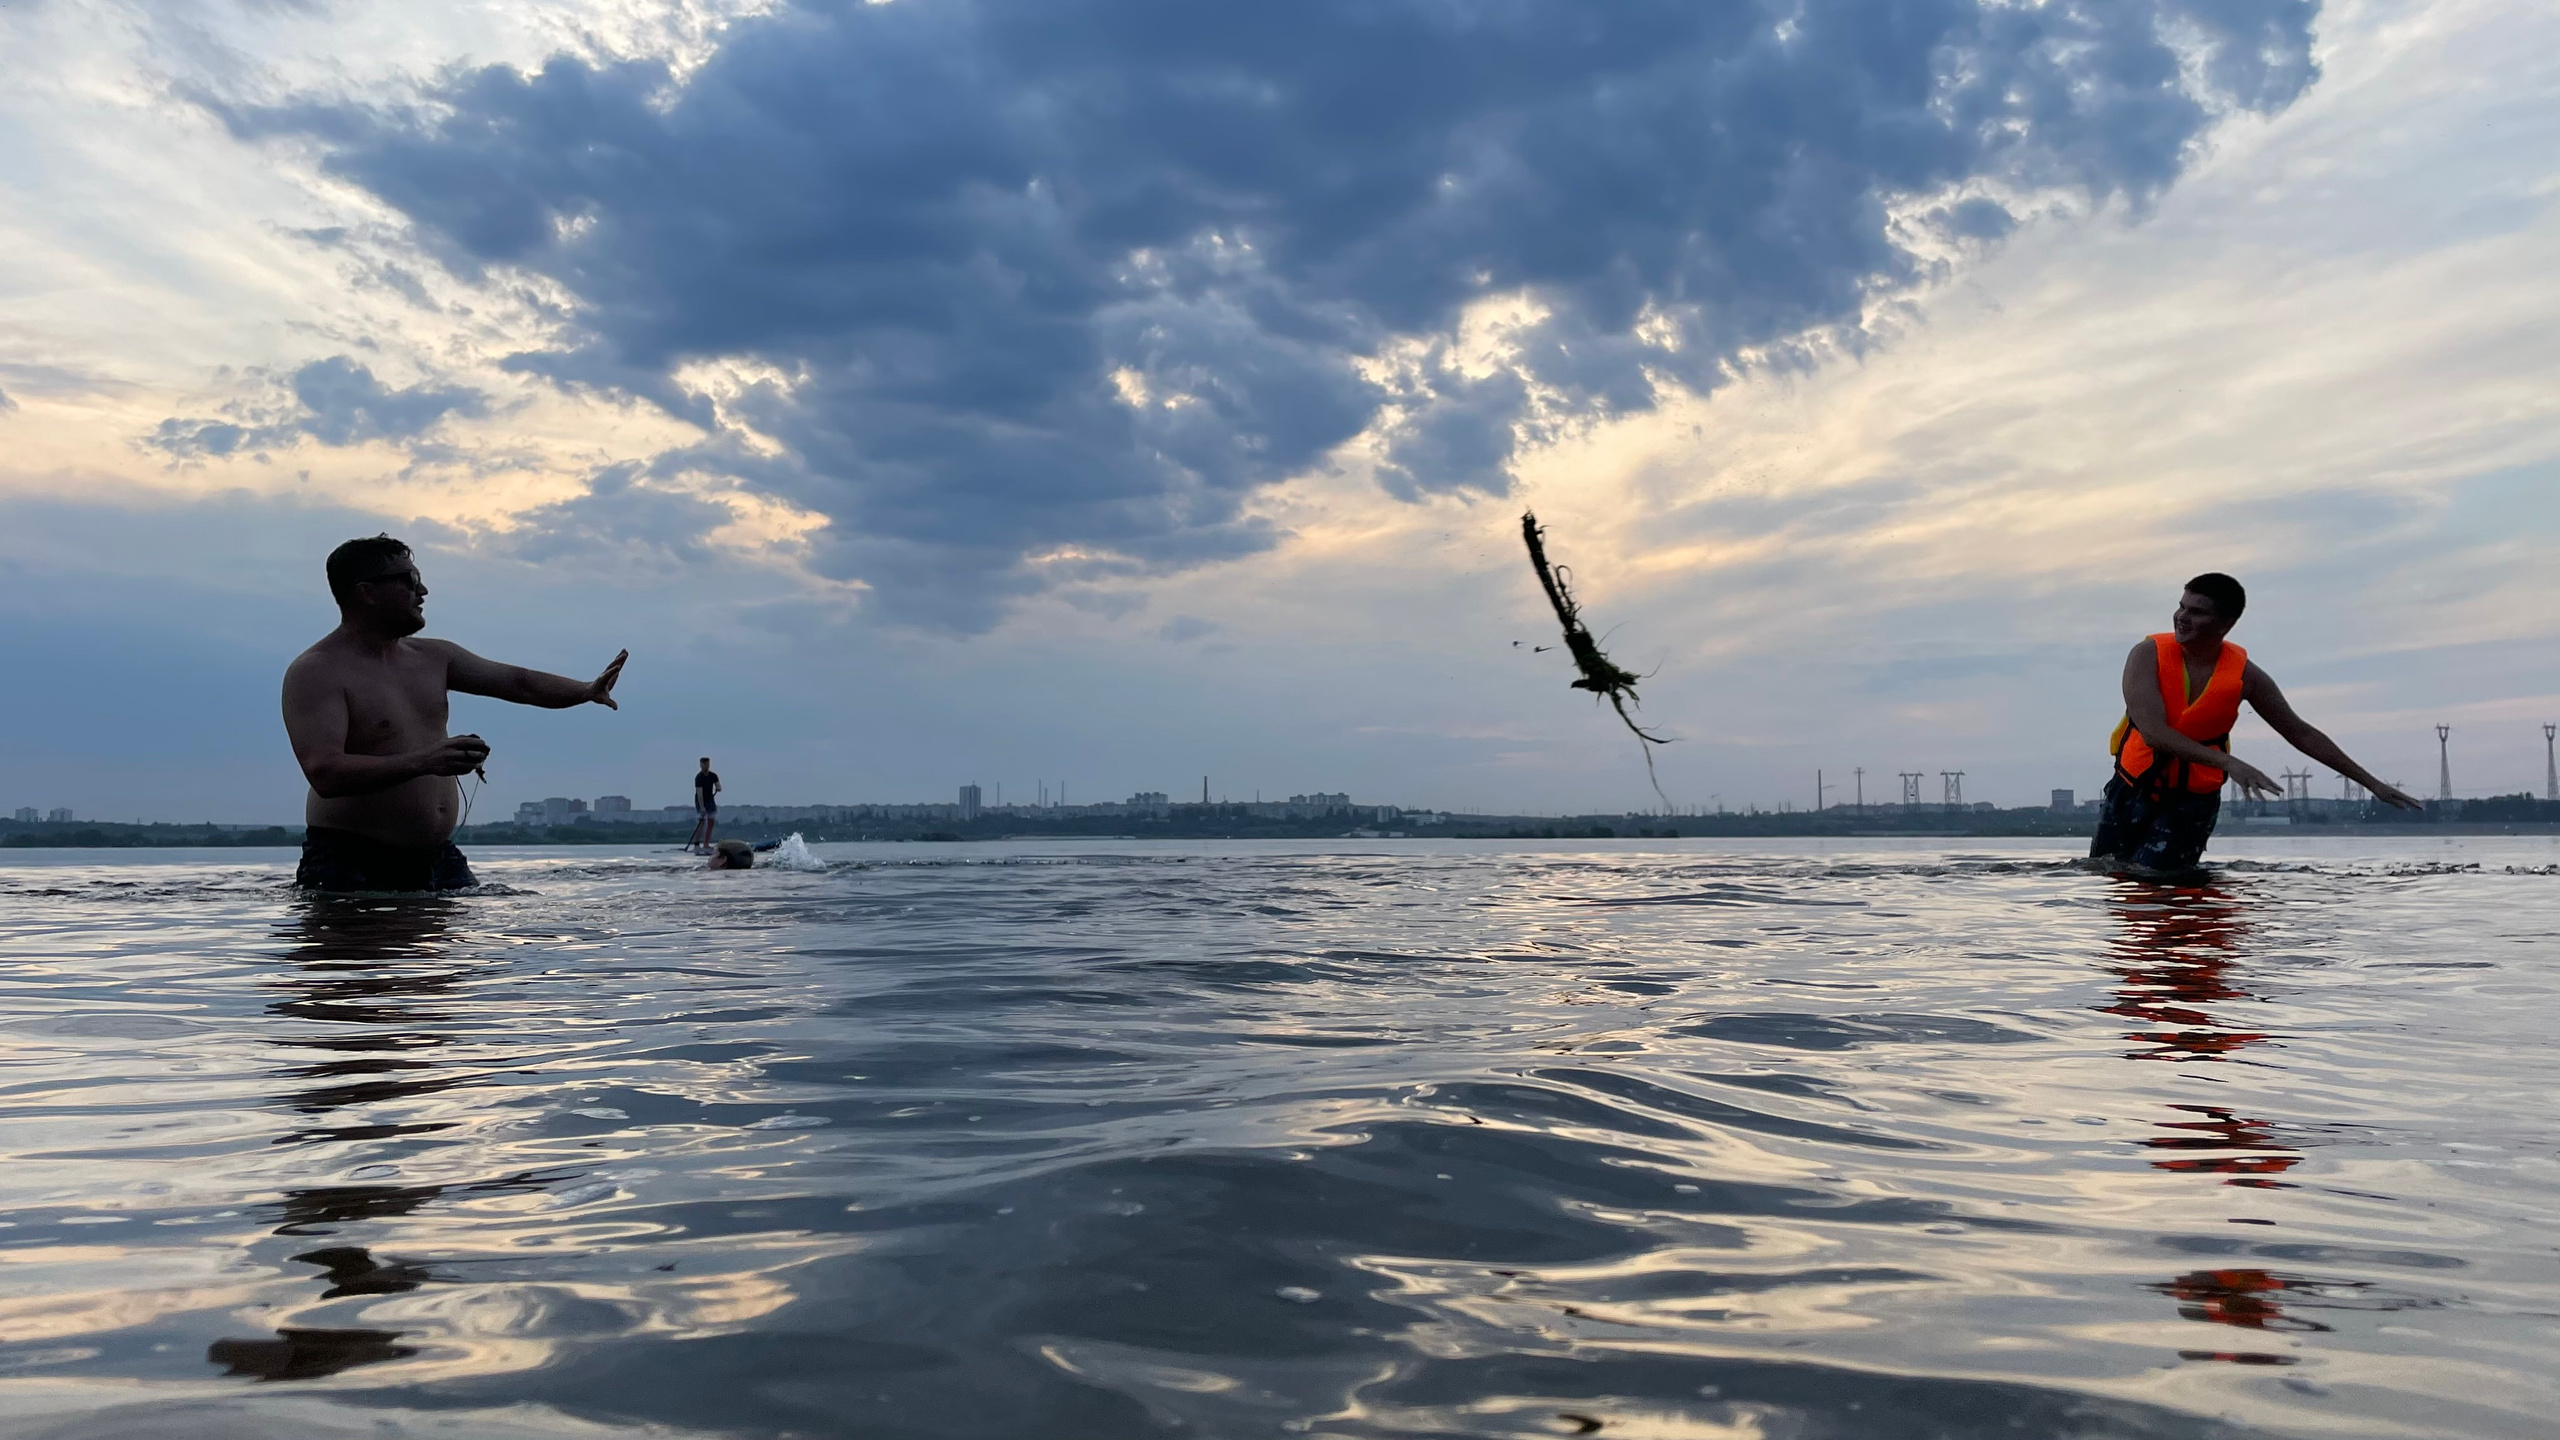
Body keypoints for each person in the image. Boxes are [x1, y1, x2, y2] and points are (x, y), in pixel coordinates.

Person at [282, 535, 627, 892]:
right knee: (369, 949)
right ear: (366, 592)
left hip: (437, 857)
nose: (424, 590)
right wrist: (427, 760)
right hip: (351, 859)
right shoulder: (317, 671)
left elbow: (517, 682)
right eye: (410, 580)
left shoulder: (434, 657)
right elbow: (325, 773)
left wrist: (586, 690)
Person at [2091, 573, 2419, 874]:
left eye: (2197, 612)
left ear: (2226, 624)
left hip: (2192, 803)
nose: (2182, 617)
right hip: (2132, 790)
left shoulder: (2246, 677)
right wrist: (2228, 762)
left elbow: (2300, 732)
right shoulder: (2146, 655)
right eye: (2181, 606)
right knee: (2108, 876)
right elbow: (2154, 733)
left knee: (2162, 883)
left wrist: (2372, 783)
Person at [687, 757, 721, 852]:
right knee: (701, 822)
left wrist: (718, 787)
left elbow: (718, 785)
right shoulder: (699, 777)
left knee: (711, 821)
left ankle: (706, 844)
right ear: (701, 765)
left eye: (707, 764)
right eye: (704, 764)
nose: (706, 766)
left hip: (710, 800)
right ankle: (696, 844)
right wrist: (702, 807)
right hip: (700, 800)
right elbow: (699, 793)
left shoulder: (713, 775)